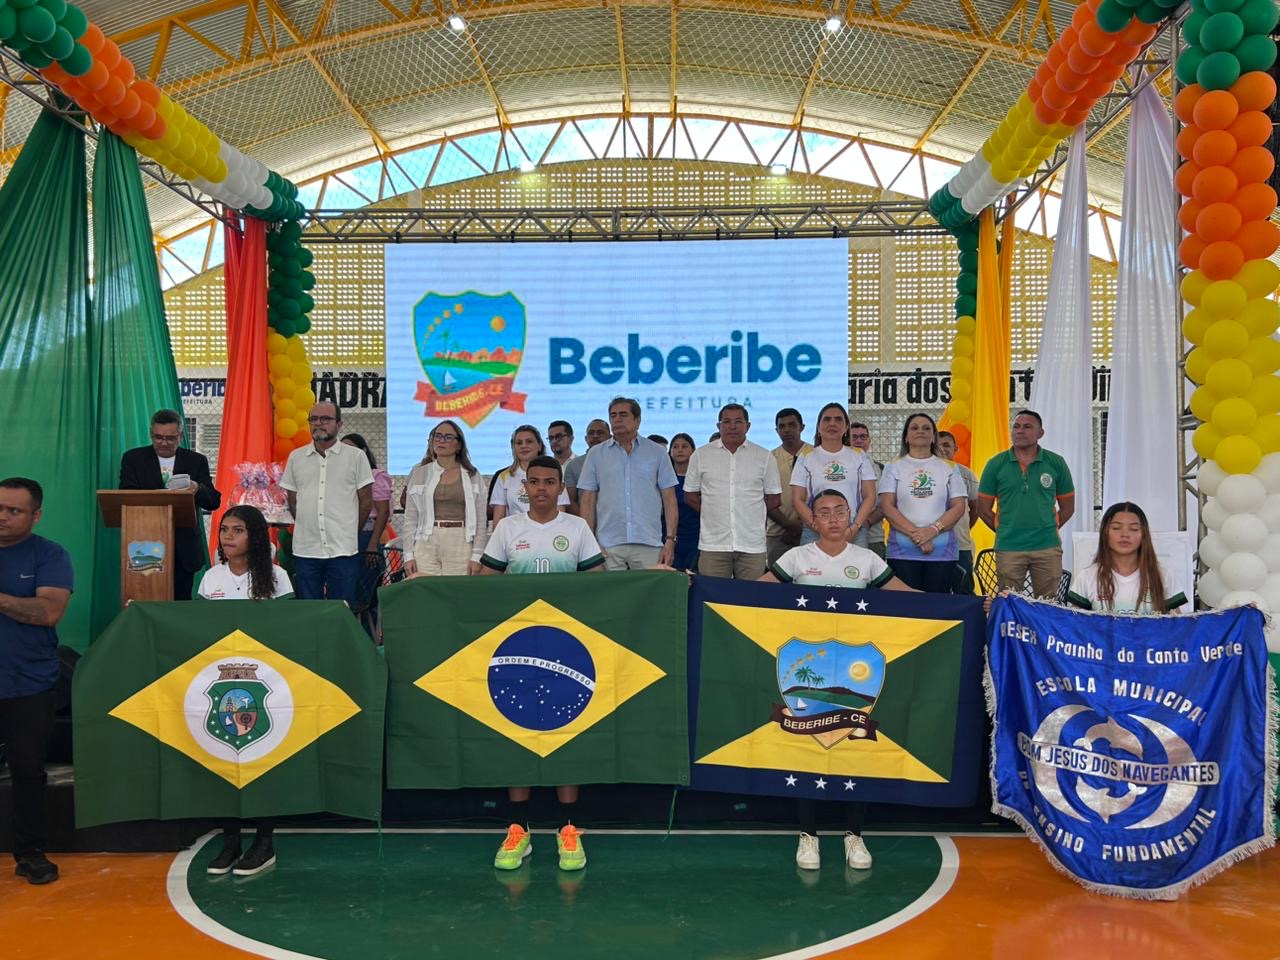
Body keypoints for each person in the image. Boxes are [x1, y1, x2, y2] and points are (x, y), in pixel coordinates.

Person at [758, 488, 914, 872]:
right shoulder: (797, 557)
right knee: (806, 746)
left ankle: (854, 835)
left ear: (851, 517)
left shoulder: (866, 560)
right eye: (822, 512)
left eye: (838, 511)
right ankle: (808, 835)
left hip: (855, 675)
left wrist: (972, 606)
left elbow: (911, 598)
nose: (831, 519)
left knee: (853, 748)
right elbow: (751, 592)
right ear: (813, 519)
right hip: (803, 669)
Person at [480, 457, 604, 872]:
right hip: (516, 650)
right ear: (524, 488)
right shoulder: (507, 529)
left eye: (550, 482)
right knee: (517, 733)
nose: (541, 489)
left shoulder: (577, 529)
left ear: (561, 488)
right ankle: (519, 830)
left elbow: (601, 584)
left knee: (565, 734)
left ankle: (569, 829)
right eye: (534, 482)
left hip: (566, 651)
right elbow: (485, 586)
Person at [197, 505, 293, 877]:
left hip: (264, 685)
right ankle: (230, 841)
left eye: (236, 530)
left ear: (253, 537)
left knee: (261, 760)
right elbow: (199, 629)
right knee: (224, 760)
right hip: (221, 686)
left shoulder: (278, 577)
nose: (227, 537)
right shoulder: (211, 578)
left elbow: (288, 629)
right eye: (224, 530)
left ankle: (264, 842)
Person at [0, 478, 71, 885]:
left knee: (28, 772)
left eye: (14, 510)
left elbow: (48, 612)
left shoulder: (49, 555)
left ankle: (30, 853)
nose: (4, 517)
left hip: (29, 684)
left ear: (35, 515)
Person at [118, 409, 221, 600]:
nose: (163, 442)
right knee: (145, 599)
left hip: (183, 546)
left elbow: (213, 501)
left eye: (170, 438)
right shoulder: (133, 459)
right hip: (144, 543)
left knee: (180, 602)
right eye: (158, 437)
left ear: (180, 436)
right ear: (151, 434)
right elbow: (127, 496)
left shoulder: (196, 461)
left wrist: (196, 487)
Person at [976, 410, 1075, 598]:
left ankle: (1044, 630)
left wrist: (1046, 527)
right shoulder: (995, 464)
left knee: (1048, 605)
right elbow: (983, 509)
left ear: (1041, 433)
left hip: (1047, 546)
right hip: (1009, 547)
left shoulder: (1056, 463)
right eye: (1016, 426)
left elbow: (1068, 507)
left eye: (1027, 426)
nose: (1020, 431)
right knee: (1010, 602)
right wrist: (1005, 529)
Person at [280, 403, 373, 603]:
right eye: (313, 419)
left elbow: (366, 502)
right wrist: (308, 524)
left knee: (341, 609)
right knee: (308, 611)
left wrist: (348, 531)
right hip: (306, 549)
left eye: (325, 419)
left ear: (339, 424)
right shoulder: (296, 457)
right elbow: (293, 501)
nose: (318, 423)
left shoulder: (356, 457)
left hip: (343, 550)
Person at [577, 397, 678, 570]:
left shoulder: (657, 452)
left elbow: (669, 500)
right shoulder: (595, 454)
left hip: (648, 541)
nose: (617, 419)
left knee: (648, 596)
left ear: (638, 420)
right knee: (610, 596)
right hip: (608, 543)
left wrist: (670, 541)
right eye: (613, 415)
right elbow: (587, 501)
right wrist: (590, 542)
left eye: (623, 415)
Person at [683, 404, 782, 580]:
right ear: (718, 426)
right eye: (726, 421)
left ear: (748, 426)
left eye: (738, 421)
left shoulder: (764, 456)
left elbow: (774, 498)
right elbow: (690, 496)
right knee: (712, 598)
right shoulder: (701, 455)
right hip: (713, 544)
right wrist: (713, 511)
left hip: (752, 543)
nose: (732, 426)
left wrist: (750, 511)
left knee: (751, 600)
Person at [877, 413, 969, 593]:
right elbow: (886, 506)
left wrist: (932, 530)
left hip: (942, 553)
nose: (921, 431)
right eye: (915, 427)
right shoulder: (893, 467)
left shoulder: (949, 467)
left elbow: (959, 506)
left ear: (934, 436)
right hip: (902, 552)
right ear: (906, 436)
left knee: (938, 606)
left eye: (927, 428)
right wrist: (918, 536)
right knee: (908, 609)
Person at [402, 420, 488, 577]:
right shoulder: (419, 473)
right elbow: (410, 517)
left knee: (456, 594)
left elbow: (481, 520)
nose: (442, 440)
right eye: (438, 436)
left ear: (459, 444)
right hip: (426, 541)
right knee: (425, 592)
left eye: (448, 437)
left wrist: (477, 555)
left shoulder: (473, 475)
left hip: (460, 541)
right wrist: (408, 555)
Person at [1066, 502, 1185, 613]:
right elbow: (1075, 627)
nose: (1125, 534)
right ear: (1105, 533)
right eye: (1116, 528)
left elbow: (1179, 627)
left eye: (1134, 529)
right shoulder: (1087, 577)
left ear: (1144, 535)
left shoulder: (1163, 576)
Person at [791, 403, 877, 549]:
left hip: (852, 531)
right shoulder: (806, 457)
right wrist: (818, 526)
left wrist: (854, 528)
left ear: (846, 427)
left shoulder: (859, 456)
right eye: (827, 419)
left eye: (838, 419)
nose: (832, 423)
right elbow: (797, 499)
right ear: (818, 427)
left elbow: (870, 496)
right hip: (815, 530)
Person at [341, 434, 392, 634]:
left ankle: (368, 641)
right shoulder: (336, 476)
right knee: (346, 592)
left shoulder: (376, 475)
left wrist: (372, 545)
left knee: (363, 598)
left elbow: (383, 512)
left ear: (363, 451)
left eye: (351, 448)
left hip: (365, 539)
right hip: (340, 538)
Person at [490, 425, 569, 523]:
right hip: (515, 535)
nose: (524, 446)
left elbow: (560, 514)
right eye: (519, 443)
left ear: (539, 446)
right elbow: (498, 520)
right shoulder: (504, 477)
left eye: (529, 441)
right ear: (513, 448)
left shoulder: (554, 473)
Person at [766, 408, 813, 566]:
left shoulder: (816, 454)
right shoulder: (768, 458)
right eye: (782, 426)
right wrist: (788, 524)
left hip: (813, 530)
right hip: (778, 533)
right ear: (776, 430)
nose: (787, 430)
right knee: (778, 586)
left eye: (792, 425)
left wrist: (802, 524)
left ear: (802, 427)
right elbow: (765, 497)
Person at [937, 431, 979, 594]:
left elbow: (975, 509)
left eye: (946, 445)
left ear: (955, 448)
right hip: (932, 546)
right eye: (938, 445)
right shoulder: (922, 473)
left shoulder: (966, 474)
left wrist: (961, 530)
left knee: (964, 590)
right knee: (937, 593)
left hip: (960, 545)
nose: (942, 448)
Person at [848, 421, 888, 560]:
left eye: (863, 437)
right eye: (854, 437)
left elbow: (886, 504)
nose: (859, 441)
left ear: (869, 440)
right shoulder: (838, 466)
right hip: (841, 537)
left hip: (873, 537)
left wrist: (866, 523)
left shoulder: (881, 469)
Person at [668, 434, 701, 572]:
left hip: (695, 538)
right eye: (675, 447)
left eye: (684, 446)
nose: (679, 450)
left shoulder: (701, 479)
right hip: (670, 539)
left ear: (693, 451)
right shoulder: (664, 480)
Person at [564, 418, 611, 512]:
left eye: (600, 432)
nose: (595, 436)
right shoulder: (574, 465)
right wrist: (585, 522)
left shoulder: (619, 462)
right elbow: (570, 501)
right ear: (586, 439)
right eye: (591, 433)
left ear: (610, 438)